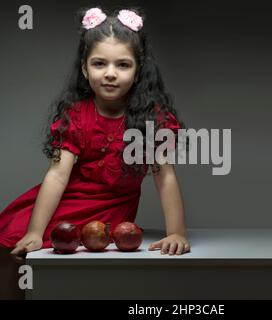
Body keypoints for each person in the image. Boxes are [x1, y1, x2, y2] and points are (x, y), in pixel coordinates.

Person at [0, 7, 190, 299]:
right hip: (69, 200)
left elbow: (164, 177)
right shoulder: (75, 115)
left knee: (83, 258)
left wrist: (176, 232)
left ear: (138, 70)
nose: (111, 74)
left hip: (112, 207)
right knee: (12, 239)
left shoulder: (154, 118)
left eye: (123, 65)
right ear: (85, 68)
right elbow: (57, 175)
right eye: (100, 63)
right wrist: (36, 231)